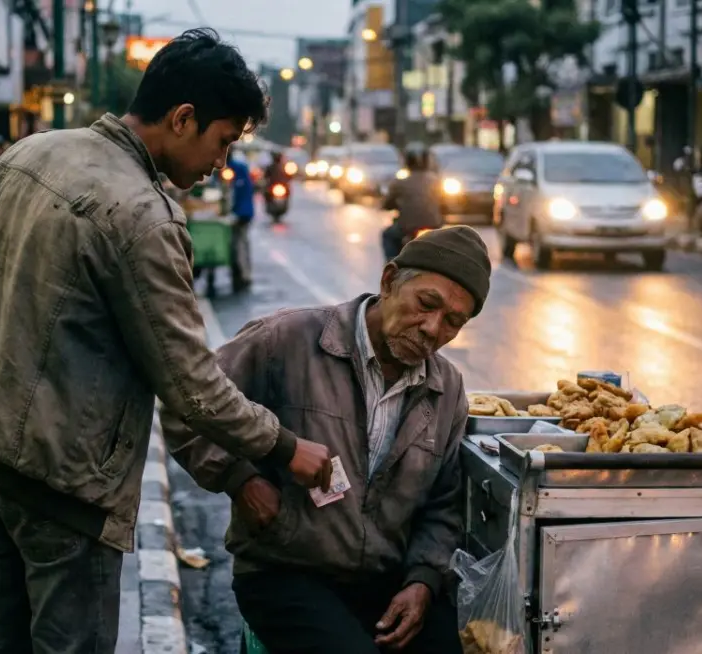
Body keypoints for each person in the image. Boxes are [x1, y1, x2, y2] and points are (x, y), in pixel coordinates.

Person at [0, 28, 334, 653]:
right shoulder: (143, 215)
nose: (220, 165)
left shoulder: (28, 154)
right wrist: (285, 448)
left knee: (0, 636)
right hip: (60, 485)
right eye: (222, 142)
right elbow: (190, 385)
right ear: (183, 118)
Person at [163, 226, 491, 654]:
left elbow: (443, 504)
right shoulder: (286, 339)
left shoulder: (446, 388)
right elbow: (187, 405)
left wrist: (422, 582)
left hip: (383, 578)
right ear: (390, 281)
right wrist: (240, 478)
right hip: (285, 572)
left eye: (453, 322)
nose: (433, 328)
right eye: (426, 304)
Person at [381, 146, 443, 261]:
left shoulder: (400, 182)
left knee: (387, 235)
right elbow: (445, 204)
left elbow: (387, 204)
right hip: (435, 225)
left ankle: (392, 264)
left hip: (406, 226)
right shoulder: (436, 181)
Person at [221, 148, 255, 292]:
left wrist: (236, 212)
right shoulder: (224, 169)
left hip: (242, 213)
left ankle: (244, 274)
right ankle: (240, 271)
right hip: (234, 213)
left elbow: (241, 192)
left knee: (241, 243)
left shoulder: (238, 168)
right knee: (236, 243)